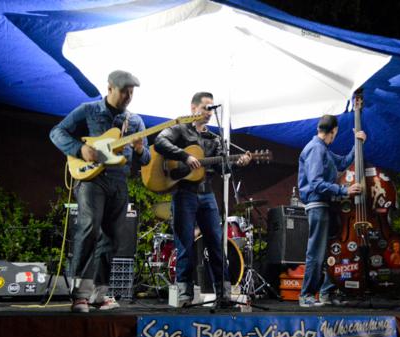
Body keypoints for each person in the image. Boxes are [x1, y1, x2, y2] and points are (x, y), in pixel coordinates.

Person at [50, 70, 150, 313]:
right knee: (89, 228)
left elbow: (146, 158)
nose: (128, 95)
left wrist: (138, 150)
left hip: (119, 182)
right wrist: (79, 149)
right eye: (124, 90)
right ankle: (80, 294)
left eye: (131, 91)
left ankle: (100, 294)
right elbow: (57, 132)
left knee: (112, 237)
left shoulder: (135, 122)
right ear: (110, 88)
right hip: (92, 180)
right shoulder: (89, 110)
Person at [154, 92, 251, 307]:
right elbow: (160, 141)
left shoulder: (213, 140)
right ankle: (185, 295)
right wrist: (184, 156)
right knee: (185, 244)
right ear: (193, 107)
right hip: (183, 193)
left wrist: (237, 163)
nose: (209, 112)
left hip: (207, 194)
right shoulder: (179, 129)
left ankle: (224, 294)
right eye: (206, 107)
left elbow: (220, 167)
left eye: (211, 109)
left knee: (216, 243)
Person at [297, 114, 365, 307]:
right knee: (316, 252)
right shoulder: (315, 150)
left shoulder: (323, 149)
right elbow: (316, 183)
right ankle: (307, 295)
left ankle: (326, 292)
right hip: (317, 204)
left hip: (326, 204)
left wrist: (357, 144)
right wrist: (345, 190)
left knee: (334, 251)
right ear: (334, 131)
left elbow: (343, 163)